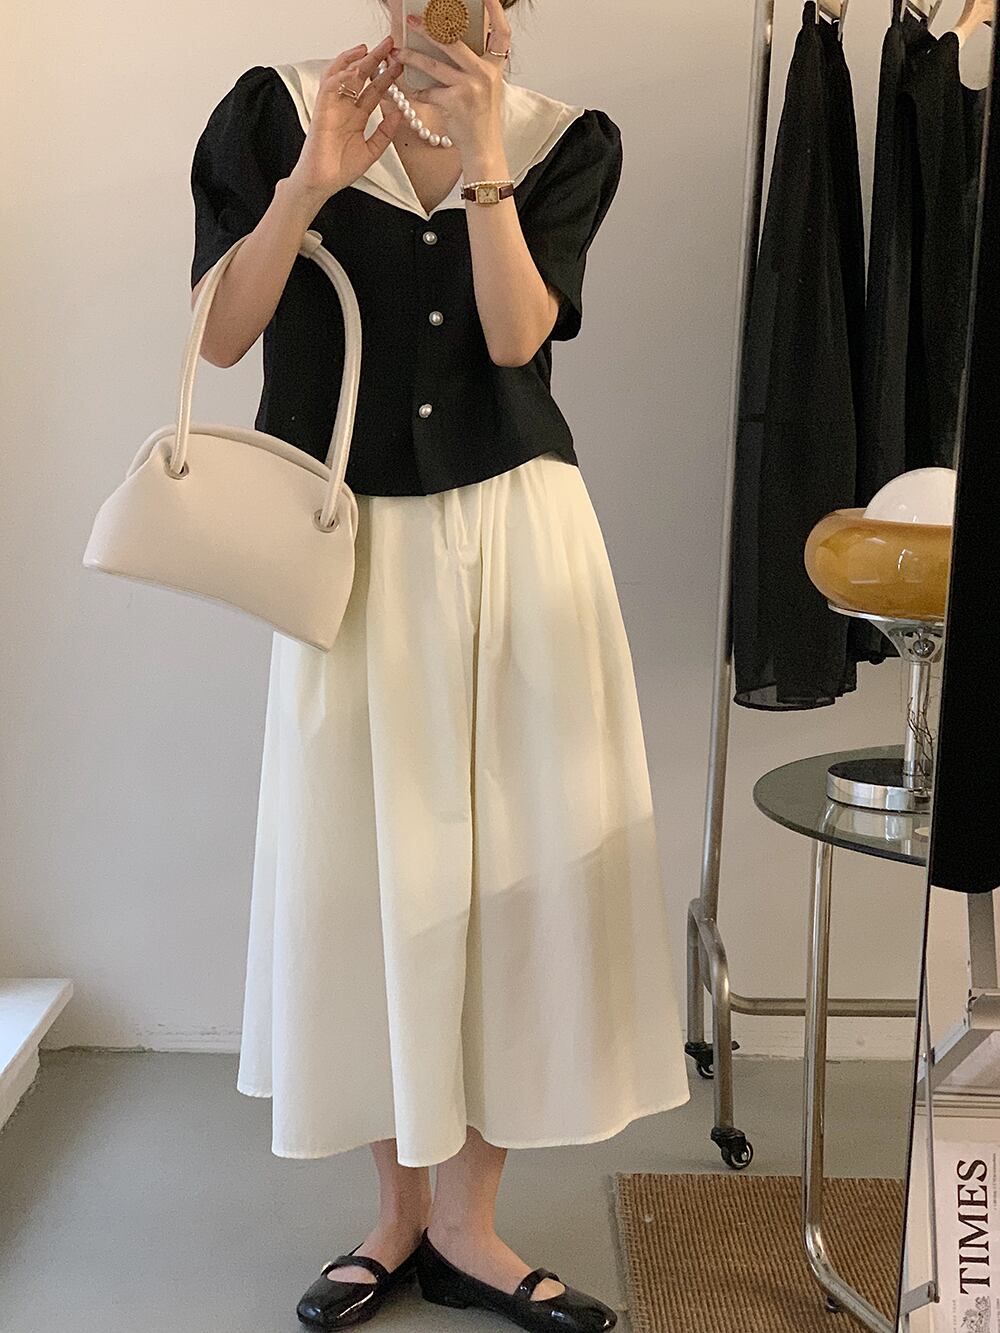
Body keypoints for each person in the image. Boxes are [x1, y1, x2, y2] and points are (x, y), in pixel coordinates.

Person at [188, 1, 690, 1328]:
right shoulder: (276, 108)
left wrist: (485, 161)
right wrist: (308, 183)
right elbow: (221, 334)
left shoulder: (564, 139)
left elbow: (518, 338)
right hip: (345, 542)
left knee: (511, 866)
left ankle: (469, 1224)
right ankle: (397, 1214)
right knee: (366, 862)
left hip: (516, 536)